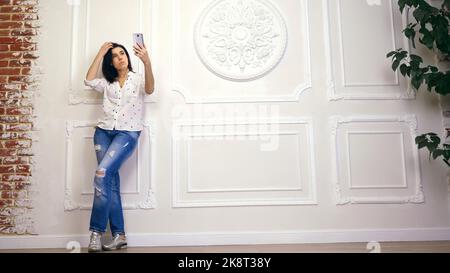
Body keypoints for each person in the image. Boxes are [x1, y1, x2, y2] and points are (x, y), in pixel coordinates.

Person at [84, 41, 154, 252]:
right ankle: (119, 236)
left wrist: (147, 61)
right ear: (111, 62)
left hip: (127, 133)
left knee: (101, 175)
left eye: (122, 53)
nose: (120, 57)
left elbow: (150, 89)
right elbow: (87, 80)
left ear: (127, 57)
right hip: (103, 133)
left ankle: (95, 233)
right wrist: (100, 51)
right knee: (110, 182)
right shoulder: (107, 82)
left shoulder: (138, 79)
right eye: (114, 56)